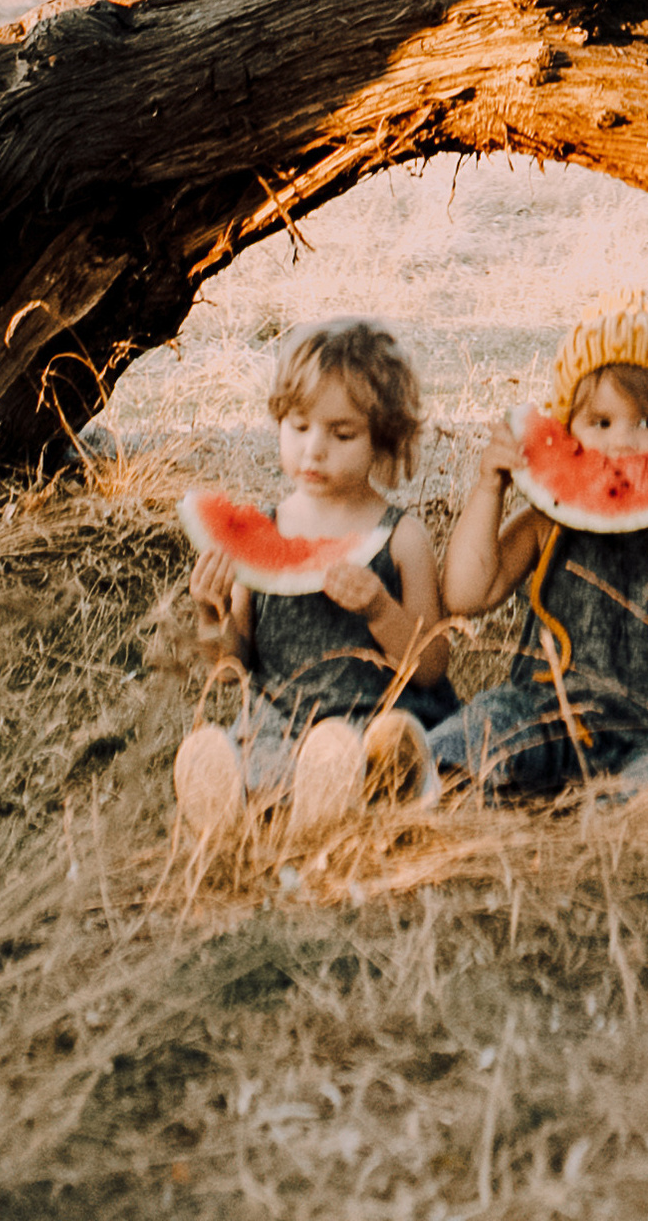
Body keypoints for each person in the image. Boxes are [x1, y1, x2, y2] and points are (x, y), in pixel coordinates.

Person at [431, 290, 648, 804]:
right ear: (565, 431)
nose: (623, 443)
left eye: (647, 423)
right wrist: (489, 489)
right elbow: (468, 594)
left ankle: (631, 810)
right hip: (539, 712)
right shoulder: (544, 522)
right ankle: (418, 772)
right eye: (601, 423)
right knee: (482, 727)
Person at [174, 314, 454, 847]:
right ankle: (238, 813)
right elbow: (234, 667)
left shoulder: (402, 536)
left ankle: (342, 798)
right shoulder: (265, 529)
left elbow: (432, 667)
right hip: (282, 725)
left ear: (382, 439)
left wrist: (380, 611)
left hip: (380, 720)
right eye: (299, 427)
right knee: (242, 750)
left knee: (387, 745)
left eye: (341, 433)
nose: (314, 449)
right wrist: (211, 615)